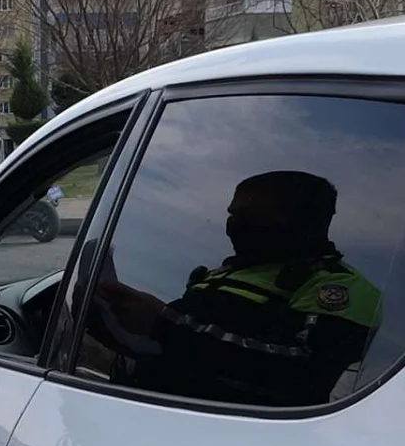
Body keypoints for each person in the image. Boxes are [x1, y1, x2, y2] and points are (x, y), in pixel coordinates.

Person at [94, 170, 381, 407]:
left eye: (252, 216)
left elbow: (302, 376)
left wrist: (164, 323)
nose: (234, 225)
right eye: (233, 214)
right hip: (147, 411)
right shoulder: (223, 272)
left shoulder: (341, 287)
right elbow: (174, 347)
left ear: (301, 222)